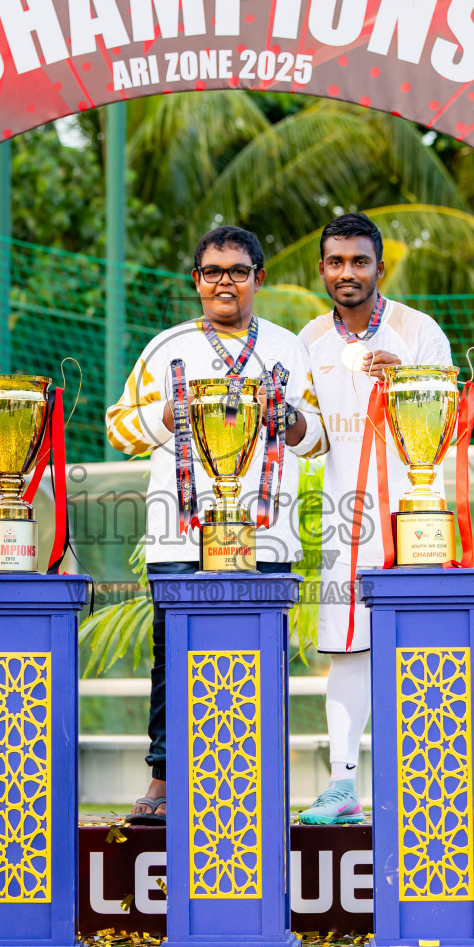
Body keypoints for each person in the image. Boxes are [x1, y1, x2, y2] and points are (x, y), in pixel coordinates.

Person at [105, 224, 328, 824]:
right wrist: (176, 412)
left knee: (260, 657)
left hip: (266, 529)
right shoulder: (165, 348)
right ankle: (162, 777)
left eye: (237, 271)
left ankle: (258, 778)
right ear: (196, 281)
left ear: (259, 278)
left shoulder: (288, 347)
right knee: (171, 658)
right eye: (212, 272)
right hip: (179, 529)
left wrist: (290, 419)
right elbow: (118, 428)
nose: (224, 282)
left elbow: (320, 438)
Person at [296, 212, 454, 824]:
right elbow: (308, 436)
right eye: (336, 262)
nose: (347, 273)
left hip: (417, 516)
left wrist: (412, 380)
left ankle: (429, 783)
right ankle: (343, 786)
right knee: (347, 651)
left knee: (422, 647)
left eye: (359, 261)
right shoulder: (308, 340)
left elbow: (452, 420)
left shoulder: (419, 331)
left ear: (379, 268)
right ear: (322, 270)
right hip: (345, 518)